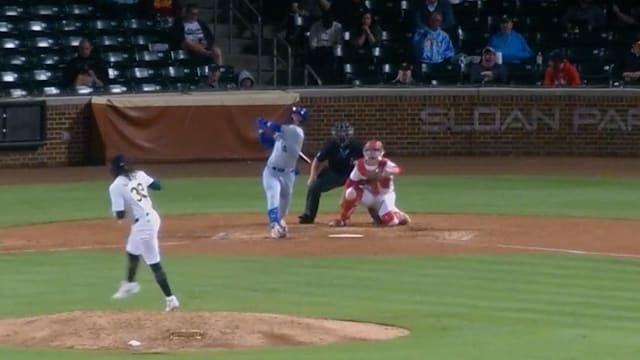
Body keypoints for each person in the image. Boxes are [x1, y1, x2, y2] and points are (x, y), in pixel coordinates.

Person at [108, 155, 179, 312]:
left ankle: (170, 299)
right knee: (132, 250)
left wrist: (117, 213)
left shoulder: (115, 187)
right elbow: (158, 186)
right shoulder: (139, 174)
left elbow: (119, 216)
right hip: (152, 217)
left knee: (154, 263)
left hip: (144, 226)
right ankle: (130, 284)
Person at [328, 139, 411, 227]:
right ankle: (343, 218)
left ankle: (397, 215)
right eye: (369, 150)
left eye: (375, 150)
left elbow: (398, 169)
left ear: (382, 152)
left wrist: (389, 171)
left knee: (391, 222)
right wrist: (343, 199)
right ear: (364, 152)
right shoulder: (360, 165)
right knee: (350, 192)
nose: (372, 153)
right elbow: (350, 182)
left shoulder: (385, 163)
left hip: (384, 197)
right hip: (369, 195)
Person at [257, 107, 309, 238]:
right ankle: (274, 225)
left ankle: (279, 220)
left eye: (298, 116)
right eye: (294, 114)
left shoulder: (296, 132)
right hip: (271, 171)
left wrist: (265, 123)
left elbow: (274, 126)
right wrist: (261, 130)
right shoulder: (286, 131)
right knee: (273, 195)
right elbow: (267, 141)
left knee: (285, 201)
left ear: (302, 120)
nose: (295, 117)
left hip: (288, 174)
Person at [299, 121, 364, 224]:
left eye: (345, 133)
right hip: (333, 173)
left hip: (351, 175)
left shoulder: (356, 145)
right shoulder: (331, 144)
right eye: (340, 133)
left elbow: (364, 162)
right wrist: (312, 176)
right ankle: (309, 215)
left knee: (369, 191)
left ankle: (376, 215)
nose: (342, 136)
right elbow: (317, 160)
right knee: (314, 187)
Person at [308, 11, 343, 84]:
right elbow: (312, 44)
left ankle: (332, 80)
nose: (328, 23)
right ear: (322, 20)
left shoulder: (338, 27)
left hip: (332, 51)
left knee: (333, 57)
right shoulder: (315, 26)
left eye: (329, 21)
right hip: (319, 51)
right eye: (326, 21)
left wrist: (332, 47)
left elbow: (339, 42)